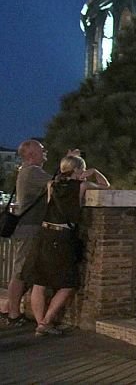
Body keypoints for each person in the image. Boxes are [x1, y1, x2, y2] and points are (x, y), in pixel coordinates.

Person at [22, 150, 110, 336]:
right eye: (83, 168)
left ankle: (40, 323)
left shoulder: (51, 184)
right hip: (62, 236)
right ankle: (45, 322)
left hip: (44, 233)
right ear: (79, 170)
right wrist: (94, 171)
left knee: (39, 282)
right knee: (68, 282)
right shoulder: (82, 185)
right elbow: (106, 186)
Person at [4, 139, 53, 327]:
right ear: (32, 154)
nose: (45, 151)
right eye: (42, 149)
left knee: (24, 270)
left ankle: (9, 308)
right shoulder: (33, 172)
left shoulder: (26, 171)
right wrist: (71, 163)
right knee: (21, 271)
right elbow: (56, 183)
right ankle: (14, 314)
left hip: (27, 226)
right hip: (29, 226)